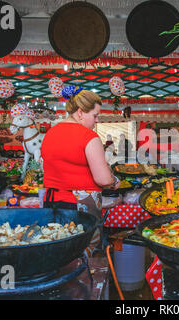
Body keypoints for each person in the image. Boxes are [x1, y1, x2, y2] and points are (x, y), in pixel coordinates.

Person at [41, 86, 120, 257]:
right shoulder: (89, 137)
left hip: (51, 202)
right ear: (80, 112)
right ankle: (85, 283)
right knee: (84, 255)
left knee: (58, 251)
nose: (97, 120)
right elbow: (103, 179)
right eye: (95, 115)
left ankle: (61, 283)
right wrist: (114, 180)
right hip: (80, 205)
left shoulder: (50, 134)